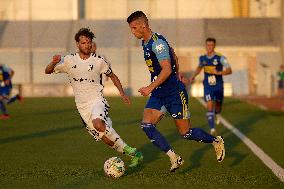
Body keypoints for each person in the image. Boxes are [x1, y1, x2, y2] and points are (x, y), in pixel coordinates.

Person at [127, 11, 225, 172]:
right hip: (159, 93)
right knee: (146, 125)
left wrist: (150, 86)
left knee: (185, 133)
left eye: (134, 27)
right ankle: (174, 158)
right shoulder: (145, 42)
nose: (132, 31)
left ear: (143, 25)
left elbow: (165, 69)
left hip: (174, 93)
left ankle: (215, 141)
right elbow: (173, 54)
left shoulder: (157, 43)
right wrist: (177, 71)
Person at [45, 28, 143, 167]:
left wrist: (122, 93)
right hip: (82, 107)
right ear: (78, 44)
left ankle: (129, 148)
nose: (87, 45)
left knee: (98, 124)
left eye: (89, 42)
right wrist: (53, 62)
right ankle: (135, 155)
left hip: (97, 100)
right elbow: (47, 71)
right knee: (107, 140)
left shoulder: (99, 61)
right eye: (84, 43)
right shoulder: (69, 60)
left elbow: (113, 76)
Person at [189, 38, 232, 136]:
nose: (209, 47)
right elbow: (199, 68)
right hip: (208, 86)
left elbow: (229, 70)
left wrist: (219, 72)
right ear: (205, 46)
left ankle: (217, 114)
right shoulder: (202, 58)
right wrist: (193, 76)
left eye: (211, 45)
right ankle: (212, 129)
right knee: (209, 106)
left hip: (218, 86)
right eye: (207, 45)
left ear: (214, 46)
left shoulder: (221, 58)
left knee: (218, 107)